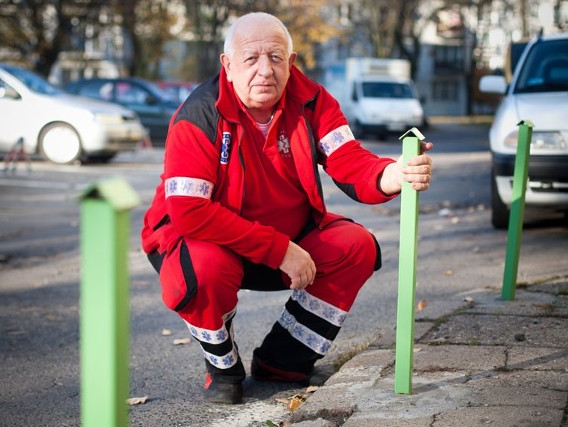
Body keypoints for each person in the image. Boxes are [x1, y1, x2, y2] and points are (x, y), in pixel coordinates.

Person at [141, 12, 433, 404]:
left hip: (289, 238)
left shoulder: (313, 100)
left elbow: (349, 160)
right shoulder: (197, 116)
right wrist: (280, 250)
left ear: (291, 62)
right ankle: (223, 366)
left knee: (356, 246)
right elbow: (190, 212)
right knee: (204, 271)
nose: (265, 70)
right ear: (227, 66)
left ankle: (283, 360)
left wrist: (391, 174)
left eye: (276, 58)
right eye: (251, 59)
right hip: (208, 243)